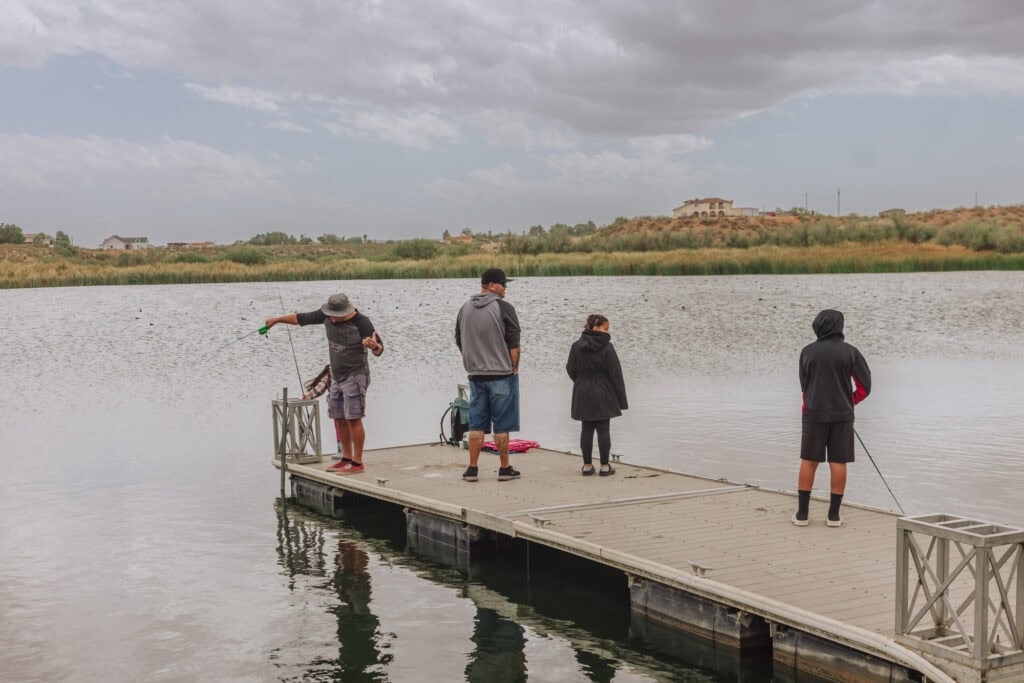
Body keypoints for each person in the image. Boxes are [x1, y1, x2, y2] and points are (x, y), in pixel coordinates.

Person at [265, 293, 384, 475]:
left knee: (353, 418)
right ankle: (345, 458)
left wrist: (373, 346)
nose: (333, 319)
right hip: (336, 376)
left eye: (337, 316)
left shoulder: (362, 322)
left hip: (355, 375)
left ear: (347, 311)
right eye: (331, 315)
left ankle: (357, 463)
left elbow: (379, 349)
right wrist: (277, 320)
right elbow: (300, 318)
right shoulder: (325, 315)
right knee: (339, 417)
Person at [793, 309, 871, 527]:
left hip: (813, 413)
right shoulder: (850, 352)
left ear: (818, 326)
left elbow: (804, 385)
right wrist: (850, 401)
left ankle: (802, 515)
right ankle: (834, 516)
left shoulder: (807, 352)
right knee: (838, 461)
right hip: (842, 415)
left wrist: (809, 406)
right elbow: (865, 386)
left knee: (809, 461)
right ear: (840, 326)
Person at [455, 268, 521, 482]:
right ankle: (504, 468)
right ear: (492, 285)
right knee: (502, 424)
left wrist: (473, 359)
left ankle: (472, 469)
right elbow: (514, 342)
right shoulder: (504, 307)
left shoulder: (465, 308)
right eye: (503, 284)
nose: (505, 288)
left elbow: (459, 339)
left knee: (476, 424)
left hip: (475, 375)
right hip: (502, 374)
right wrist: (514, 366)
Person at [566, 314, 628, 476]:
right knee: (603, 428)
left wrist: (581, 382)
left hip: (583, 389)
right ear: (596, 327)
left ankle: (587, 466)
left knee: (586, 428)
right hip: (603, 390)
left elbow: (570, 369)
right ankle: (605, 466)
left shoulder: (576, 346)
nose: (608, 332)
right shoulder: (607, 347)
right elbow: (616, 374)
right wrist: (621, 399)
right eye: (605, 328)